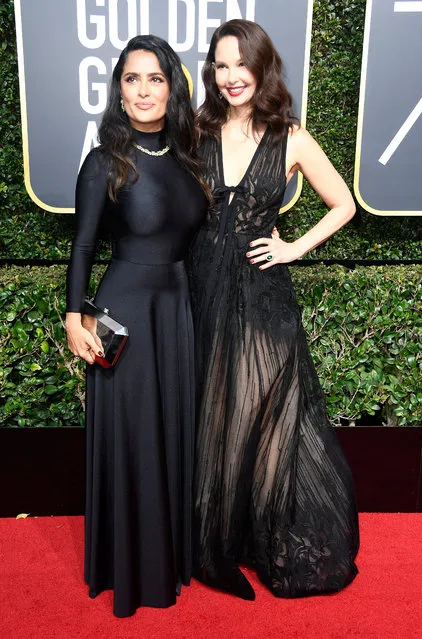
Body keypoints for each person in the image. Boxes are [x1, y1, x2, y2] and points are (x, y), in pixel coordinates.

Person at [188, 19, 360, 601]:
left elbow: (343, 204)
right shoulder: (196, 130)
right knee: (210, 416)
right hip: (201, 288)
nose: (231, 76)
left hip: (263, 298)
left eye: (242, 63)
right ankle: (215, 543)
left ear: (262, 66)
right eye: (220, 64)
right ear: (210, 72)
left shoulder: (291, 136)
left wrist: (293, 246)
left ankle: (256, 540)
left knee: (261, 419)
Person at [65, 35, 208, 617]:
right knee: (133, 439)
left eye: (155, 78)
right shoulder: (105, 160)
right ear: (118, 90)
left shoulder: (187, 158)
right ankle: (130, 568)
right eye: (131, 78)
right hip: (124, 310)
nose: (143, 89)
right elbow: (81, 247)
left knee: (170, 433)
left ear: (172, 86)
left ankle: (169, 557)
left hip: (176, 311)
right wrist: (75, 317)